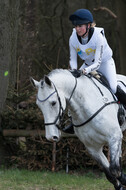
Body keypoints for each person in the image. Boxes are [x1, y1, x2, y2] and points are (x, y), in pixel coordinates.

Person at [63, 8, 126, 134]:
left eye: (80, 26)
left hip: (105, 63)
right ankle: (72, 121)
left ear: (88, 25)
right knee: (73, 87)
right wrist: (74, 71)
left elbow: (97, 63)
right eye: (76, 26)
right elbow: (73, 58)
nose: (77, 29)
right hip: (87, 64)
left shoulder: (99, 37)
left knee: (113, 87)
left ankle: (122, 112)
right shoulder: (73, 38)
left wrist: (85, 71)